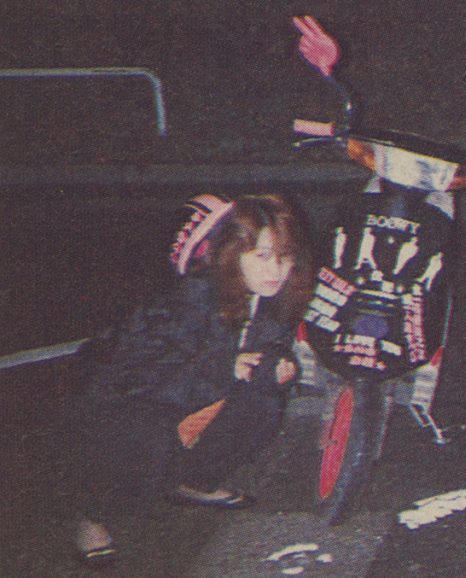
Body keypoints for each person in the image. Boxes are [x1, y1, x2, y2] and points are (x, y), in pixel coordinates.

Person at [70, 193, 314, 565]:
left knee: (265, 390)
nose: (276, 270)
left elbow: (267, 343)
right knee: (145, 440)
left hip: (199, 390)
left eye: (285, 256)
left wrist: (279, 360)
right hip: (136, 397)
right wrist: (223, 366)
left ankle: (195, 482)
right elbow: (134, 376)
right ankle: (94, 514)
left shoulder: (271, 296)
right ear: (232, 254)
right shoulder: (194, 297)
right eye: (262, 256)